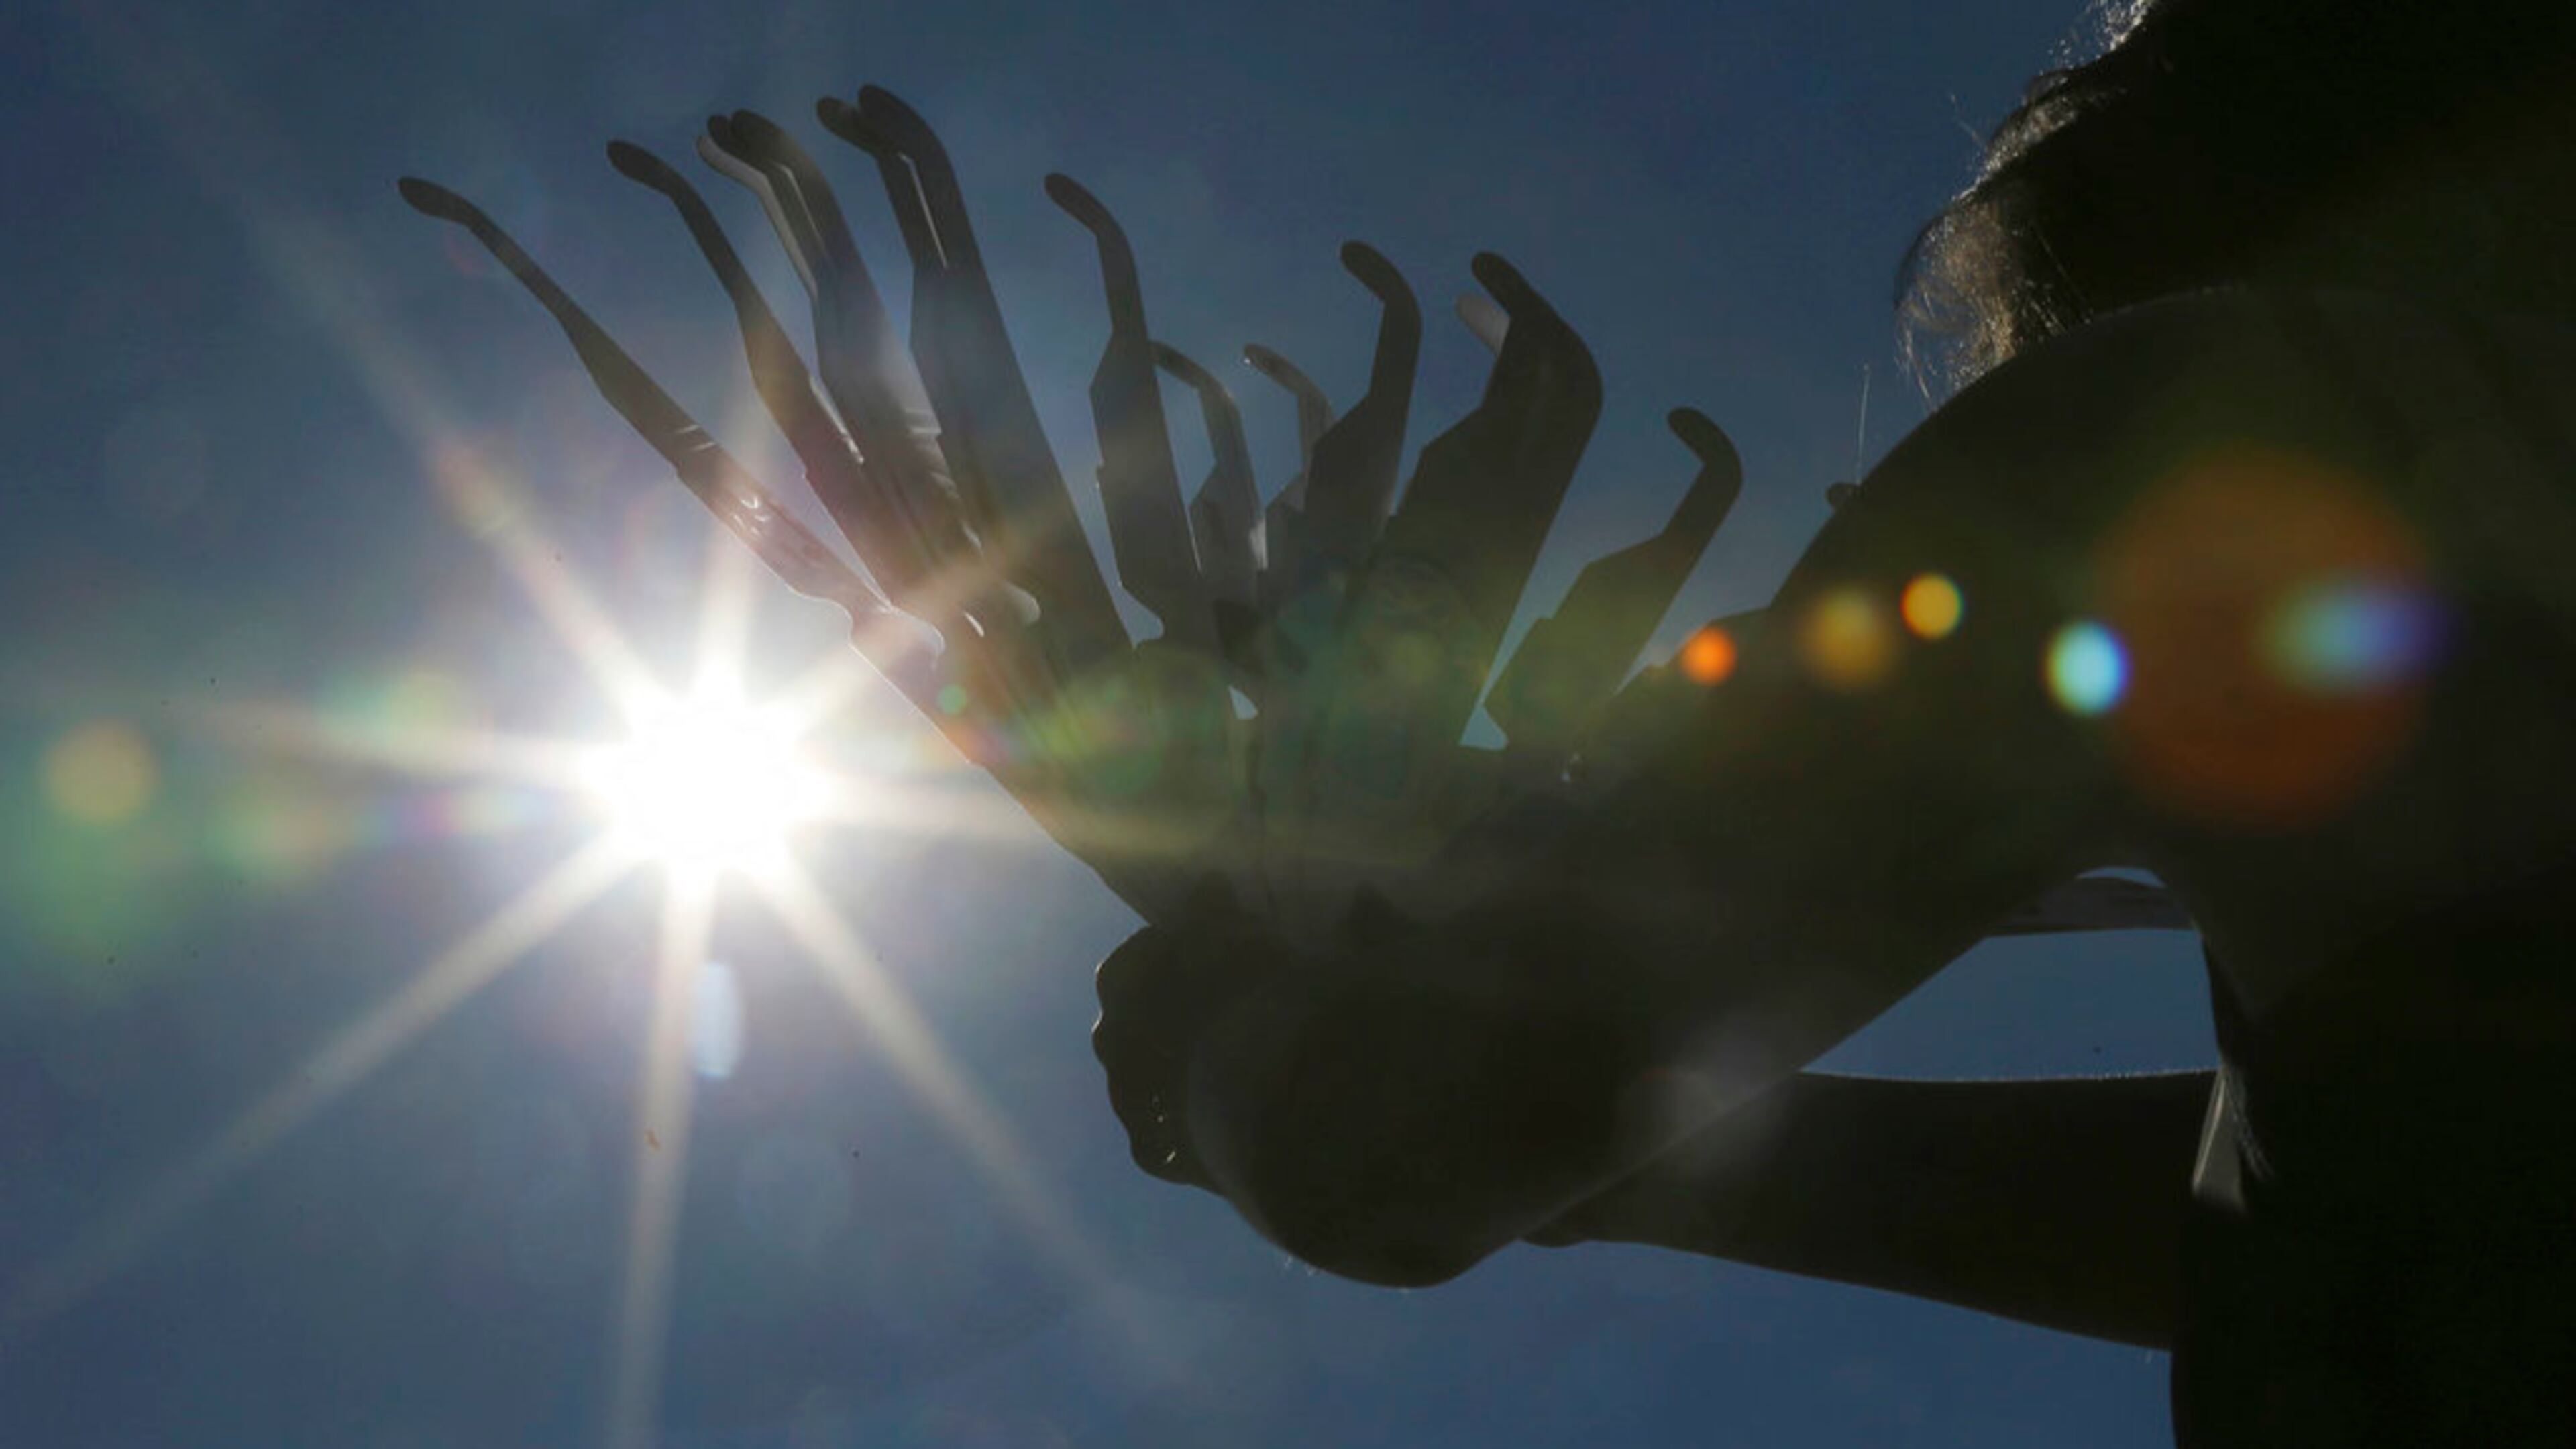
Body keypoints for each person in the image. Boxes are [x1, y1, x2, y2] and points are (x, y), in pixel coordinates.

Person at [1089, 2, 2576, 1442]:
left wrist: (1227, 1034)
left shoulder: (2164, 444)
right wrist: (1643, 1163)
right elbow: (2375, 1212)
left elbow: (1386, 1156)